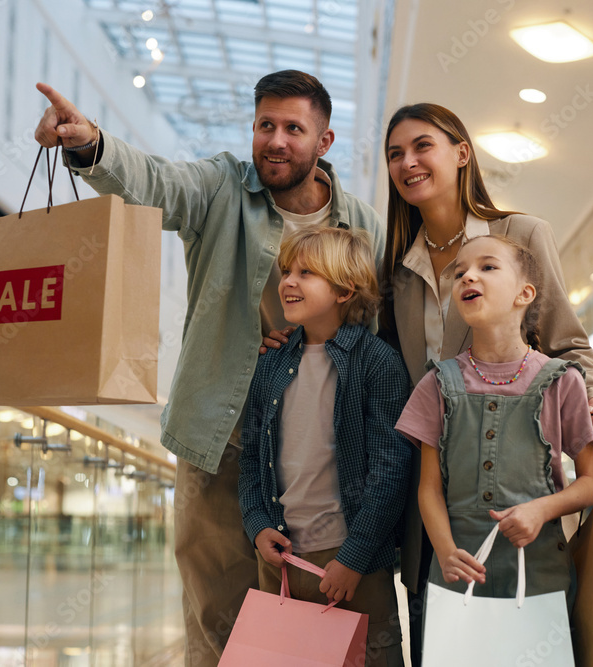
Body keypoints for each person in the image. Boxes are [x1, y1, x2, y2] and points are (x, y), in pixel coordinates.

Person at [33, 70, 385, 666]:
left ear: (323, 143)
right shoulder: (223, 186)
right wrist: (89, 144)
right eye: (265, 125)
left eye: (293, 129)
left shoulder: (362, 224)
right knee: (216, 610)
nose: (275, 140)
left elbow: (373, 330)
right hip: (219, 436)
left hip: (316, 446)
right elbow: (156, 183)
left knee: (313, 616)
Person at [381, 103, 593, 664]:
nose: (408, 162)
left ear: (462, 153)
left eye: (422, 146)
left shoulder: (520, 235)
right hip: (436, 494)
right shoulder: (397, 266)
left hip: (525, 510)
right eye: (395, 154)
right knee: (445, 642)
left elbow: (569, 342)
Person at [395, 234, 593, 606]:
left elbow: (591, 482)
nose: (468, 277)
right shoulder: (436, 382)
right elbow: (429, 488)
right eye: (459, 274)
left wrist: (541, 509)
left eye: (487, 267)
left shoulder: (562, 380)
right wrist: (444, 551)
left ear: (524, 294)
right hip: (457, 573)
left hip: (540, 576)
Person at [239, 227, 411, 666]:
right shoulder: (270, 363)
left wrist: (353, 557)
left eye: (307, 273)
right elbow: (251, 459)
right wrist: (257, 524)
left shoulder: (379, 363)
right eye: (287, 271)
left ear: (344, 289)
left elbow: (391, 469)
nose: (288, 282)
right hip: (281, 561)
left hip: (354, 563)